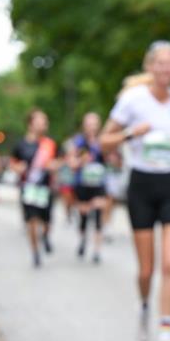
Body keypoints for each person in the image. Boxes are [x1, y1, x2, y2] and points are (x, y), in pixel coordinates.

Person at [100, 41, 170, 341]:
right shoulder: (132, 100)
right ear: (150, 66)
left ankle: (166, 334)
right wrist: (130, 134)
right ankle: (144, 305)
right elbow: (103, 141)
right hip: (141, 183)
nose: (166, 69)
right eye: (161, 64)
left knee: (169, 264)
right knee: (147, 269)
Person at [11, 109, 58, 267]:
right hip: (29, 188)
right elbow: (13, 164)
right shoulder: (21, 144)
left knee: (46, 221)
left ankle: (45, 236)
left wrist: (53, 166)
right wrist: (19, 168)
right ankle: (35, 253)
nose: (44, 124)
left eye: (45, 121)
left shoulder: (49, 144)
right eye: (41, 121)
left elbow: (58, 162)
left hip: (45, 189)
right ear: (31, 123)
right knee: (31, 221)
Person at [68, 112, 110, 263]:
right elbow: (71, 163)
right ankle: (83, 240)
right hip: (83, 184)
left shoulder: (102, 141)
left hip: (99, 183)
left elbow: (112, 159)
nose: (92, 127)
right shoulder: (79, 142)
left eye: (94, 123)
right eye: (89, 123)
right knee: (84, 216)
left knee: (98, 214)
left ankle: (97, 251)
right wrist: (80, 161)